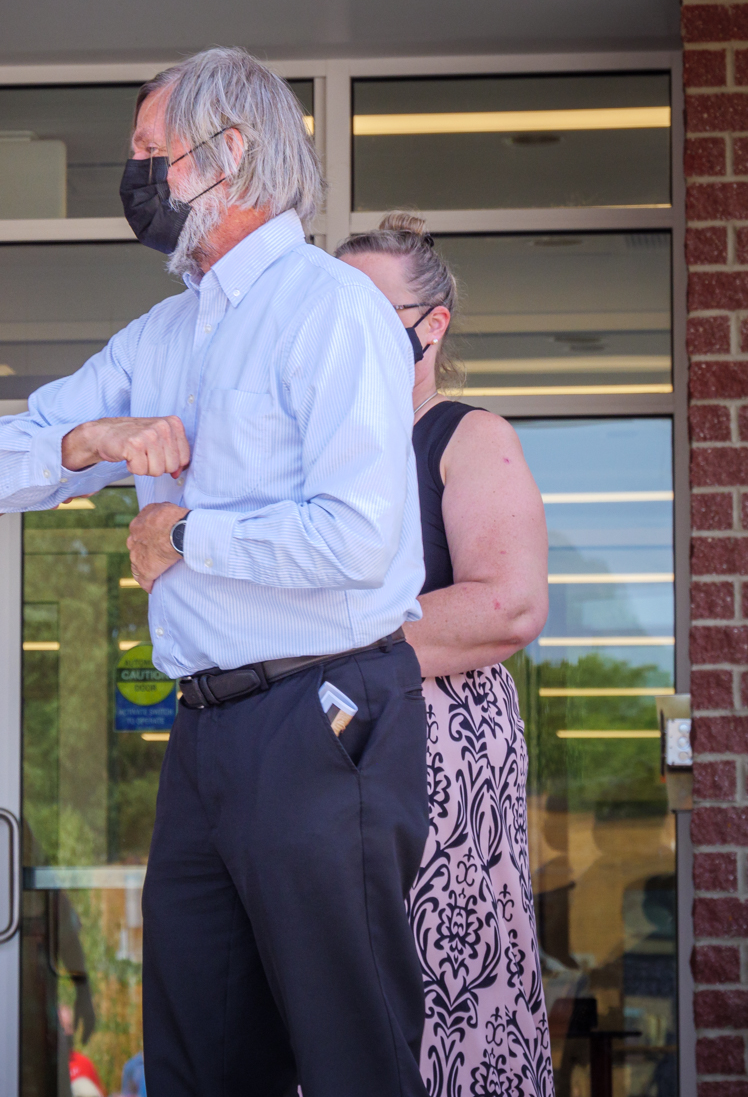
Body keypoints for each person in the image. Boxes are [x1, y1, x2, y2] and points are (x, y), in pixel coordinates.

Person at [0, 47, 430, 1095]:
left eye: (148, 153)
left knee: (353, 1057)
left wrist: (185, 535)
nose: (134, 179)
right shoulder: (162, 335)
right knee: (199, 1061)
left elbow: (361, 538)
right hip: (207, 734)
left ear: (229, 154)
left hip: (327, 716)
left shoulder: (333, 311)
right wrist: (88, 442)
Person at [337, 214, 555, 1097]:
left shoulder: (467, 436)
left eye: (372, 308)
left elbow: (508, 603)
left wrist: (330, 650)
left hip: (438, 760)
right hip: (331, 755)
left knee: (448, 997)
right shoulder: (323, 454)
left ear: (432, 324)